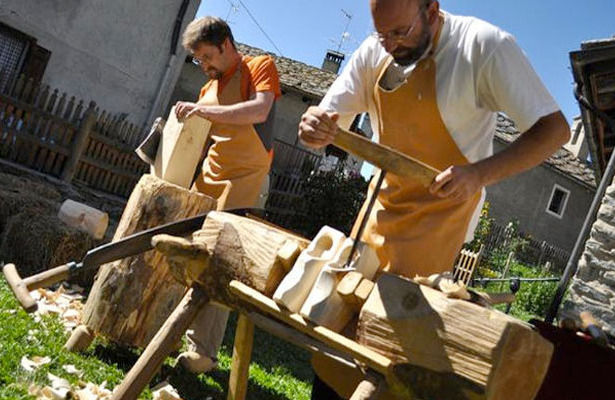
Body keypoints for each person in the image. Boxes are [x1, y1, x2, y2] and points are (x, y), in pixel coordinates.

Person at [298, 0, 569, 398]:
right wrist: (315, 127)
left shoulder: (483, 46)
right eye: (382, 33)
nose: (389, 44)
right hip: (378, 214)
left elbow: (555, 130)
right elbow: (328, 118)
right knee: (337, 336)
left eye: (400, 33)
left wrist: (479, 174)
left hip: (438, 226)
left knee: (393, 352)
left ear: (431, 10)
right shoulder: (377, 50)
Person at [174, 16, 281, 373]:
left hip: (246, 179)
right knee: (181, 248)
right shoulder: (208, 90)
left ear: (226, 45)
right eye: (199, 61)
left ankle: (203, 352)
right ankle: (167, 327)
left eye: (208, 57)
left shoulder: (259, 66)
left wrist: (202, 110)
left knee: (219, 262)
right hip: (209, 177)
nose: (204, 66)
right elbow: (199, 140)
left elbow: (259, 109)